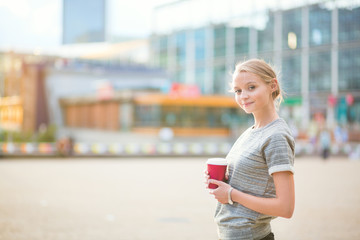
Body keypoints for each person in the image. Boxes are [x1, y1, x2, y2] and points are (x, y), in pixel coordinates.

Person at [204, 59, 295, 240]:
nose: (243, 96)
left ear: (272, 85)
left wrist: (231, 194)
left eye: (251, 87)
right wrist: (222, 181)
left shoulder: (276, 136)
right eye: (238, 91)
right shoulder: (251, 132)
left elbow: (286, 208)